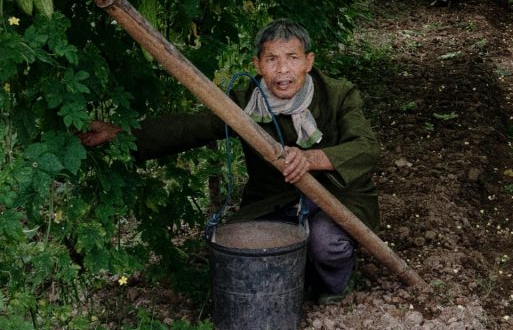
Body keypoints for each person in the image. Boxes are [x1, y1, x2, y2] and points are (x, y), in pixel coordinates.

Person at [79, 19, 380, 304]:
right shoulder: (246, 99)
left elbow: (366, 147)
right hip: (274, 198)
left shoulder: (338, 94)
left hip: (334, 193)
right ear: (258, 65)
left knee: (327, 245)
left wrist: (310, 158)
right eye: (272, 59)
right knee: (240, 248)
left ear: (309, 62)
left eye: (292, 58)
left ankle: (334, 286)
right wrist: (122, 134)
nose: (283, 69)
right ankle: (295, 276)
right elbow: (191, 128)